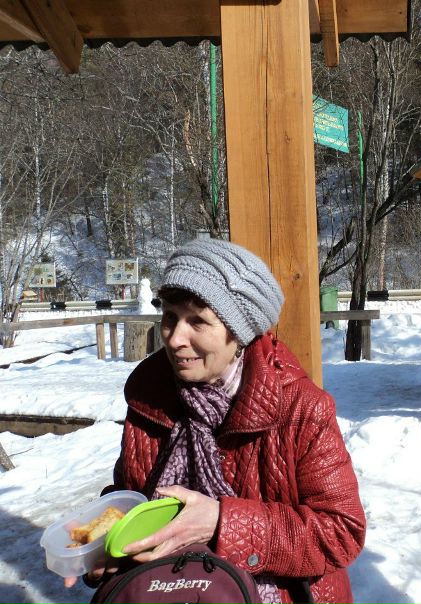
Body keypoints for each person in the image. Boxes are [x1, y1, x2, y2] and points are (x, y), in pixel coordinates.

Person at [66, 238, 366, 604]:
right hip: (165, 591)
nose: (175, 339)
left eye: (198, 321)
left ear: (239, 333)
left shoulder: (302, 409)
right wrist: (105, 538)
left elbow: (341, 532)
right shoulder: (150, 395)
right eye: (170, 317)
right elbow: (133, 490)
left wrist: (222, 522)